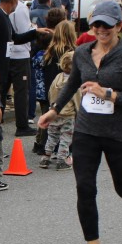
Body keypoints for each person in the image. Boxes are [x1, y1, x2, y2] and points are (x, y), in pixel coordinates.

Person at [37, 0, 122, 244]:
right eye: (96, 24)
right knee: (85, 188)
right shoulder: (81, 52)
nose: (101, 29)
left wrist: (108, 94)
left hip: (118, 134)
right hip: (86, 132)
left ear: (119, 26)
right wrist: (54, 110)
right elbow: (71, 84)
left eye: (107, 25)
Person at [0, 0, 49, 137]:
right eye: (17, 1)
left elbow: (15, 38)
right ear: (13, 0)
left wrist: (35, 32)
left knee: (1, 96)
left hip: (4, 63)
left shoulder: (5, 16)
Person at [34, 18, 76, 154]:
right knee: (67, 121)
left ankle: (43, 146)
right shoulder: (72, 53)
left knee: (48, 119)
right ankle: (64, 148)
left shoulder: (50, 51)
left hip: (50, 89)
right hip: (66, 91)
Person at [9, 0, 40, 133]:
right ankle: (22, 125)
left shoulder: (17, 7)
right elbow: (22, 32)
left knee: (16, 90)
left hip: (13, 52)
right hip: (20, 53)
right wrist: (34, 30)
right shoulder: (20, 8)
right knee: (22, 91)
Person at [40, 51, 79, 171]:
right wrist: (79, 112)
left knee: (52, 136)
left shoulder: (58, 77)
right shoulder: (74, 81)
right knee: (65, 138)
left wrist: (52, 107)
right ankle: (61, 160)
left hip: (54, 112)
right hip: (68, 114)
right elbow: (77, 98)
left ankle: (46, 157)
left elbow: (50, 92)